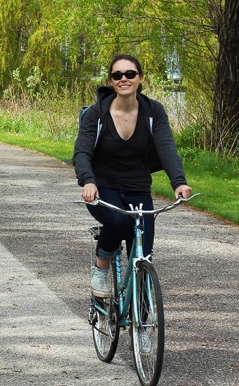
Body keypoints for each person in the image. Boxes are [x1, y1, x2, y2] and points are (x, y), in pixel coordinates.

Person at [73, 54, 191, 298]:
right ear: (111, 81)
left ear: (140, 79)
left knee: (143, 258)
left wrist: (179, 182)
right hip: (104, 188)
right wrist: (88, 181)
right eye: (117, 75)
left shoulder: (153, 112)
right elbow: (82, 151)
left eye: (130, 74)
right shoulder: (97, 114)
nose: (123, 79)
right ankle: (101, 268)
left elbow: (166, 147)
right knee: (117, 222)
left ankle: (144, 328)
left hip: (138, 189)